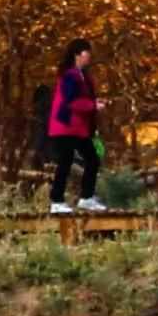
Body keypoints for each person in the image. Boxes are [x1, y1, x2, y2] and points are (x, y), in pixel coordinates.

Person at [41, 37, 105, 211]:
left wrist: (93, 103)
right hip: (65, 126)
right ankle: (56, 201)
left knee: (92, 159)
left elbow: (82, 98)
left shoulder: (82, 76)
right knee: (66, 161)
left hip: (78, 128)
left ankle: (87, 197)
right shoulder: (70, 76)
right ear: (77, 54)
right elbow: (70, 102)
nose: (89, 56)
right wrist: (93, 106)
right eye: (86, 52)